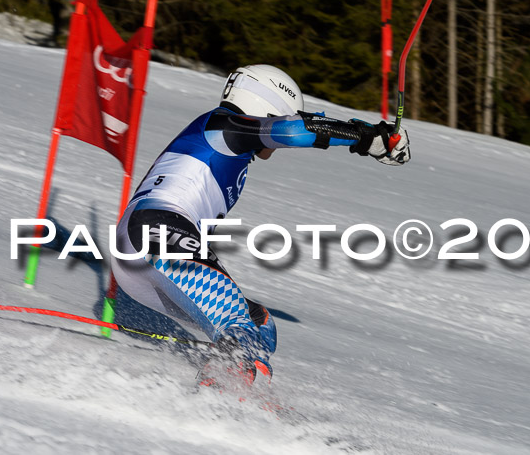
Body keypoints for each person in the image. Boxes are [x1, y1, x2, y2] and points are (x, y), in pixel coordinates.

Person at [111, 64, 410, 385]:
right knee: (239, 326)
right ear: (269, 108)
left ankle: (221, 387)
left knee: (260, 324)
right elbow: (295, 130)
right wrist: (369, 137)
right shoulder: (225, 127)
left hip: (141, 254)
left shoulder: (223, 139)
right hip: (155, 233)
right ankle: (228, 400)